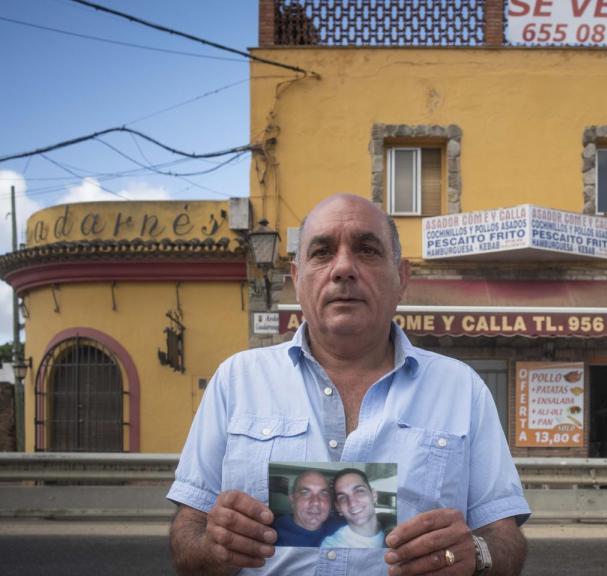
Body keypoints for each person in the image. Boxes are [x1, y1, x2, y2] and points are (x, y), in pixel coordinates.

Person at [167, 193, 530, 575]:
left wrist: (476, 553)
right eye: (322, 252)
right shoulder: (236, 381)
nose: (343, 268)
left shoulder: (462, 389)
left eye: (367, 250)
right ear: (296, 278)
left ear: (401, 278)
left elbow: (505, 539)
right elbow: (187, 535)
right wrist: (211, 545)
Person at [321, 468, 393, 549]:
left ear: (374, 495)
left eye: (359, 491)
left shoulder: (394, 525)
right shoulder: (332, 545)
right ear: (339, 508)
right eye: (342, 498)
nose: (352, 503)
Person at [271, 470, 344, 547]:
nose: (316, 502)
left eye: (323, 494)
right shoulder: (272, 535)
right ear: (292, 500)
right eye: (305, 493)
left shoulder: (343, 527)